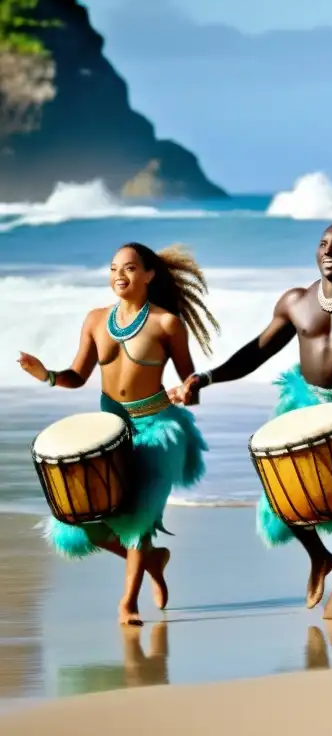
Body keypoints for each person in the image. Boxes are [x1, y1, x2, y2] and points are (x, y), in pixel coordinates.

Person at [172, 222, 332, 624]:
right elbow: (255, 352)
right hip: (305, 403)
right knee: (283, 488)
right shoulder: (295, 301)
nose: (330, 251)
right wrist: (207, 377)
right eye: (323, 244)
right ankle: (318, 555)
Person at [17, 243, 217, 626]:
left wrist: (188, 391)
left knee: (138, 522)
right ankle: (153, 560)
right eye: (112, 268)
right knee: (83, 524)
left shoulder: (166, 323)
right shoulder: (95, 320)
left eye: (128, 268)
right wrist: (46, 375)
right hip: (111, 431)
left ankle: (128, 604)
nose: (118, 275)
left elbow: (190, 381)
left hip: (157, 430)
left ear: (149, 275)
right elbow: (78, 376)